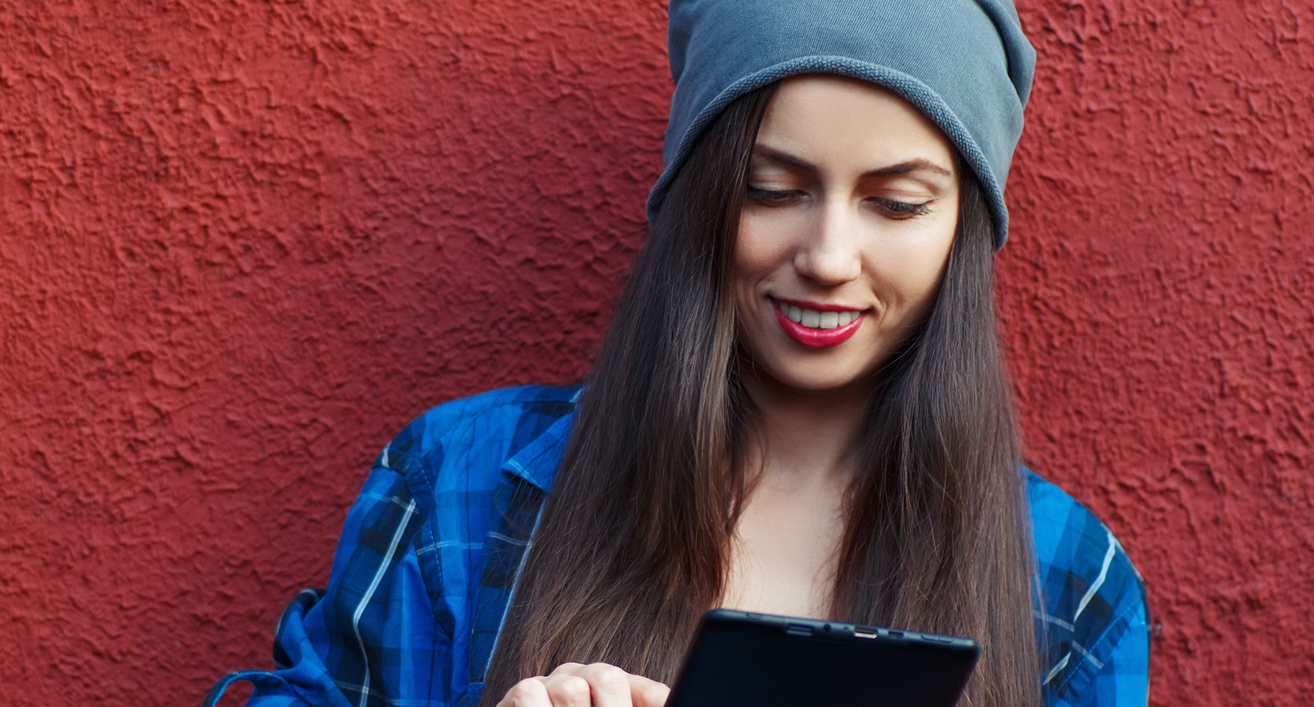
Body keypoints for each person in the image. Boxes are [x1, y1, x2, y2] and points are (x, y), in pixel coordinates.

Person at [206, 1, 1148, 705]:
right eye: (770, 188)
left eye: (896, 204)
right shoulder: (457, 487)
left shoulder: (1067, 586)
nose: (824, 257)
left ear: (962, 232)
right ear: (696, 202)